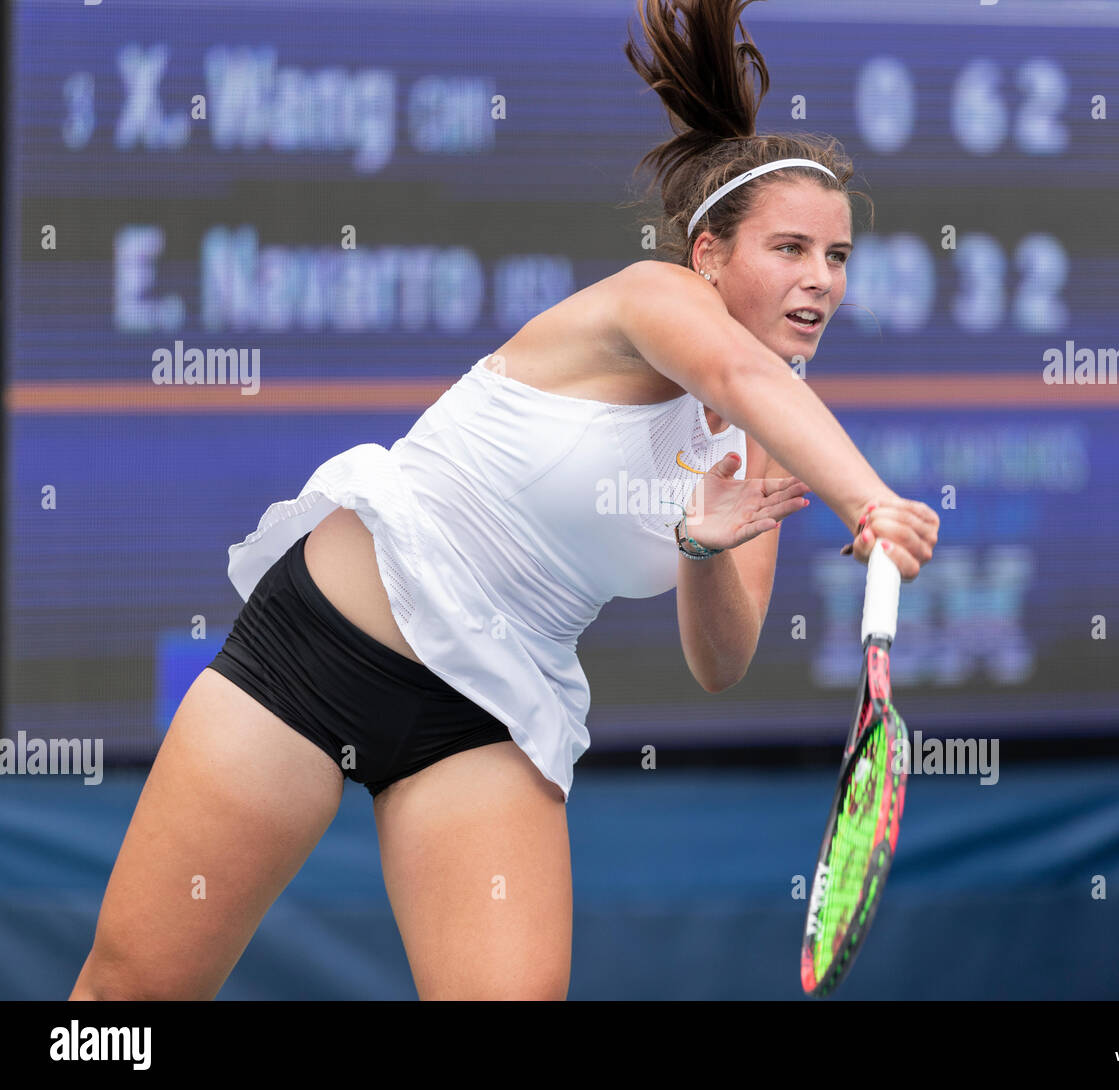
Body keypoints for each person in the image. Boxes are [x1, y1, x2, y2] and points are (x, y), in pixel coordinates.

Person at [68, 0, 939, 1002]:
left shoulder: (767, 437)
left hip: (482, 716)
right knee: (129, 997)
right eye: (790, 249)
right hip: (318, 654)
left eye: (837, 257)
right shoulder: (652, 302)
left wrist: (700, 548)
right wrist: (869, 500)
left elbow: (720, 661)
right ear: (707, 256)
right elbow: (743, 378)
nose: (821, 280)